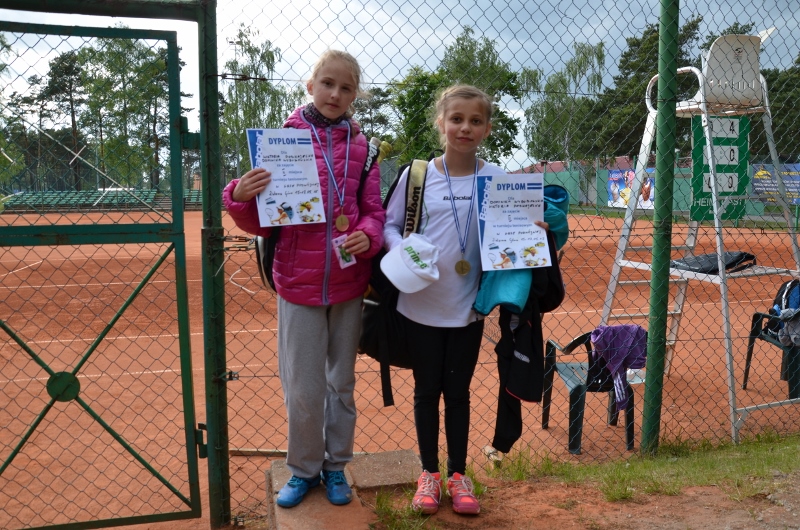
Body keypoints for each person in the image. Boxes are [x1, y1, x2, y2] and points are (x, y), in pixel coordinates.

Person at [222, 50, 385, 508]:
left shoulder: (364, 149)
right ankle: (303, 469)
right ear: (310, 86)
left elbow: (373, 212)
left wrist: (368, 236)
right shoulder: (280, 143)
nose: (335, 94)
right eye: (327, 84)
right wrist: (239, 196)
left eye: (346, 88)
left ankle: (336, 467)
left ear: (355, 95)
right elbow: (261, 223)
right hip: (298, 283)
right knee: (304, 388)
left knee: (341, 385)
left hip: (349, 283)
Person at [381, 85, 501, 516]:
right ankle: (428, 474)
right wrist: (404, 251)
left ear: (486, 128)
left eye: (475, 121)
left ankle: (458, 475)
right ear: (441, 123)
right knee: (426, 390)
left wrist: (534, 231)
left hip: (469, 308)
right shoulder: (418, 175)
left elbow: (514, 232)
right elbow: (389, 226)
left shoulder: (496, 178)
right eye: (456, 119)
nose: (465, 128)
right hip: (420, 304)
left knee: (459, 393)